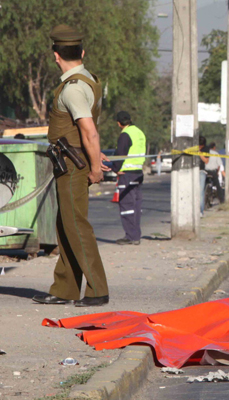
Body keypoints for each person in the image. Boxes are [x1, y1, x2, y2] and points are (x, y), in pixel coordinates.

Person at [33, 25, 111, 307]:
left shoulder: (73, 89)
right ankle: (65, 288)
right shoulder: (88, 79)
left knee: (76, 224)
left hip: (73, 162)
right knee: (65, 224)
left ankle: (97, 289)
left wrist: (94, 166)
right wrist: (95, 156)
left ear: (56, 56)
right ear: (82, 52)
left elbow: (89, 131)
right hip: (72, 159)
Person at [111, 111, 146, 246]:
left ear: (119, 123)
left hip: (127, 173)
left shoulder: (125, 135)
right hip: (138, 171)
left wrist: (115, 169)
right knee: (136, 205)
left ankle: (130, 236)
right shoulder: (139, 132)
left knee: (127, 205)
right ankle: (135, 235)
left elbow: (121, 153)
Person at [198, 136, 210, 215]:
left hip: (201, 171)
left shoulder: (206, 149)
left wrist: (199, 153)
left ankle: (200, 211)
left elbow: (206, 161)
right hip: (192, 171)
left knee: (200, 192)